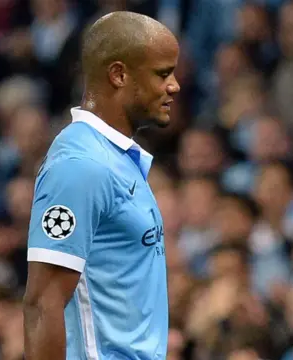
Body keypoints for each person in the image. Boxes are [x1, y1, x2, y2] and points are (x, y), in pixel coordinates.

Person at [22, 11, 180, 360]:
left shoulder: (116, 159)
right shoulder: (80, 166)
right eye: (163, 73)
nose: (175, 85)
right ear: (119, 74)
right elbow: (41, 305)